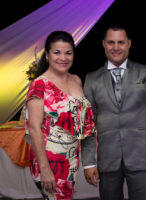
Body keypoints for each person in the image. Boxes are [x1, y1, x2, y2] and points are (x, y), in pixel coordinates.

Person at [81, 24, 146, 200]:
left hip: (140, 156)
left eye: (121, 42)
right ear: (103, 44)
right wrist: (89, 162)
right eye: (111, 42)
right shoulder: (92, 79)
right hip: (107, 159)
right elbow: (88, 124)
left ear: (129, 43)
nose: (116, 47)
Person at [24, 31, 97, 199]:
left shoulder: (76, 80)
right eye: (57, 52)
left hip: (71, 156)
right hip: (49, 159)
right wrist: (44, 168)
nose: (63, 57)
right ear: (48, 55)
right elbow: (34, 128)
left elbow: (82, 120)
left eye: (68, 53)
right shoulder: (39, 85)